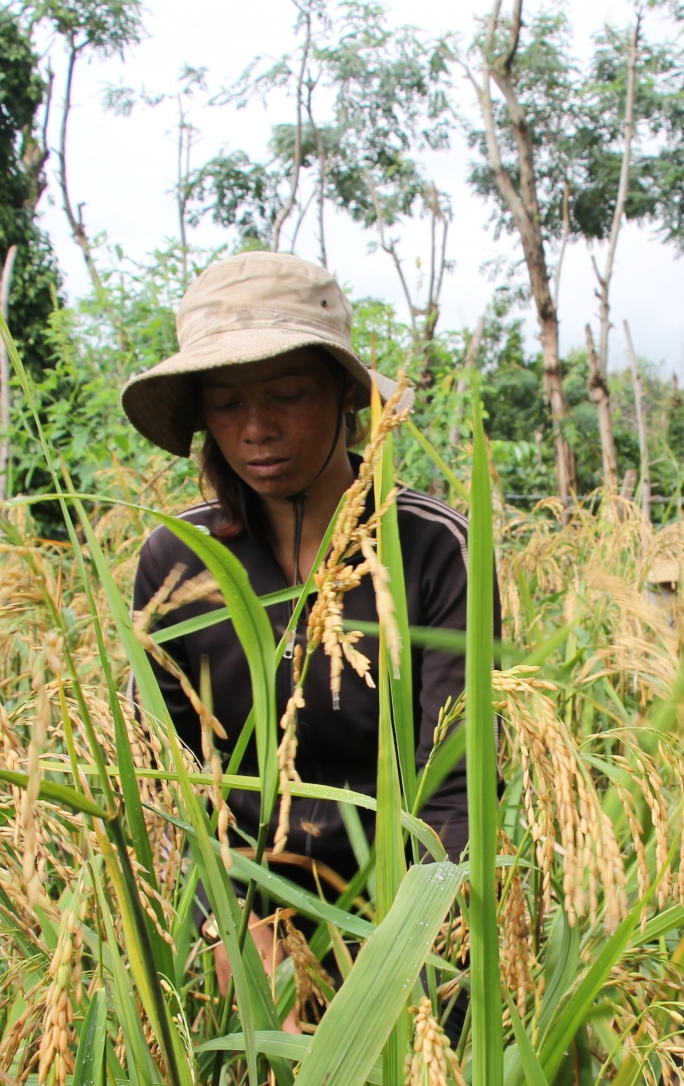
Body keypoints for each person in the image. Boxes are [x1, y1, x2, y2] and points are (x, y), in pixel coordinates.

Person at [120, 252, 478, 935]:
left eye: (287, 395)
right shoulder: (177, 557)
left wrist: (411, 950)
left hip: (402, 909)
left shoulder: (432, 548)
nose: (256, 428)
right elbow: (160, 771)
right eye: (226, 403)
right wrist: (224, 929)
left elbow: (455, 782)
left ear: (343, 392)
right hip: (232, 907)